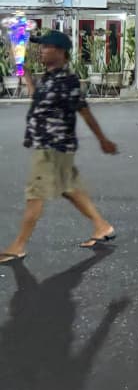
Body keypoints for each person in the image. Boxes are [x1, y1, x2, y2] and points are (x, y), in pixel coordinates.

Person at [1, 30, 120, 265]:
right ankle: (102, 226)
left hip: (52, 148)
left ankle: (18, 246)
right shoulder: (49, 78)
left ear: (60, 52)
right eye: (41, 47)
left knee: (35, 194)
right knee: (69, 187)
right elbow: (36, 97)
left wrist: (102, 140)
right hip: (51, 146)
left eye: (46, 47)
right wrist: (21, 68)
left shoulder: (67, 81)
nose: (41, 51)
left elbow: (84, 111)